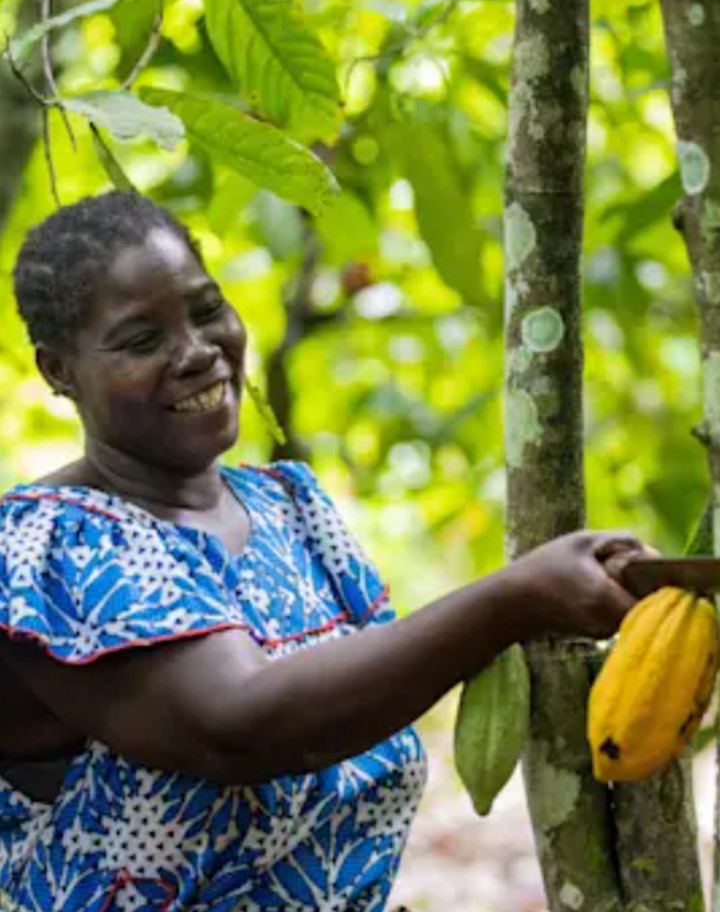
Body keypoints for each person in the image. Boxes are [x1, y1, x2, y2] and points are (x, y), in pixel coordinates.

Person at [0, 190, 646, 912]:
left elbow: (367, 692)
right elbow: (239, 727)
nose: (197, 352)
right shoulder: (48, 547)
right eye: (141, 340)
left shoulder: (291, 509)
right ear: (59, 371)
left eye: (207, 309)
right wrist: (516, 600)